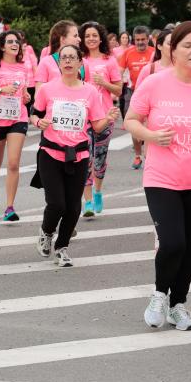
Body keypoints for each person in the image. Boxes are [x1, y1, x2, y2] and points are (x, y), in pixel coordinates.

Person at [124, 22, 191, 330]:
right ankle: (159, 294)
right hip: (162, 177)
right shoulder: (154, 83)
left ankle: (178, 303)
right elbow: (131, 120)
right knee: (172, 242)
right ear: (172, 50)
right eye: (188, 45)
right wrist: (151, 136)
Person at [32, 45, 117, 267]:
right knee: (57, 204)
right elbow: (35, 114)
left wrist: (108, 118)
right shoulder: (47, 89)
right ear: (59, 63)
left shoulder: (90, 91)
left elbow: (97, 126)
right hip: (50, 152)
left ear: (81, 63)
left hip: (78, 155)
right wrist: (38, 122)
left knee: (73, 207)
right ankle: (46, 231)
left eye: (73, 57)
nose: (68, 61)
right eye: (64, 58)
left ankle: (62, 248)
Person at [0, 30, 32, 222]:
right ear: (2, 46)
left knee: (13, 163)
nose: (15, 44)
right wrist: (1, 90)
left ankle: (10, 207)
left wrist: (26, 97)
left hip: (18, 117)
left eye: (17, 41)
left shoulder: (24, 67)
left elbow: (25, 93)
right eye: (10, 41)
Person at [79, 22, 122, 217]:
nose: (91, 39)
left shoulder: (109, 60)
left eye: (94, 35)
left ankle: (97, 192)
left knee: (100, 158)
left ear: (101, 38)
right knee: (85, 157)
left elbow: (119, 89)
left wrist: (104, 83)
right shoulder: (80, 59)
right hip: (83, 117)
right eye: (87, 36)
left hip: (105, 115)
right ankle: (87, 201)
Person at [119, 26, 155, 169]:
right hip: (133, 92)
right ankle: (138, 156)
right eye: (138, 40)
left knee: (152, 125)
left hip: (153, 94)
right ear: (133, 40)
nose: (140, 42)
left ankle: (151, 156)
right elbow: (119, 73)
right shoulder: (127, 53)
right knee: (134, 126)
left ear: (148, 39)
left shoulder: (154, 53)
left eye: (143, 40)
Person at [34, 21, 82, 90]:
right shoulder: (46, 62)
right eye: (75, 36)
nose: (79, 39)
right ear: (63, 39)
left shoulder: (83, 62)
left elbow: (89, 92)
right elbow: (39, 94)